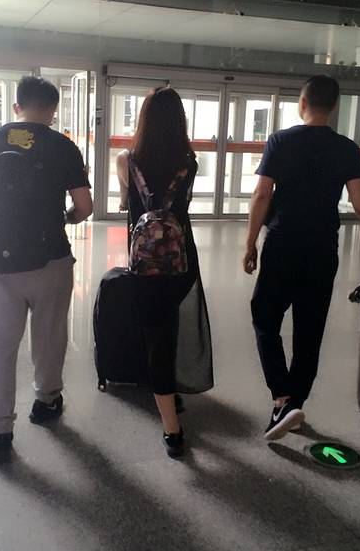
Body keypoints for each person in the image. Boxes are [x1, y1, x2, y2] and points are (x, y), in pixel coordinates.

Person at [243, 75, 360, 441]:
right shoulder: (347, 148)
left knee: (265, 318)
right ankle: (295, 403)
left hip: (282, 244)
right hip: (322, 249)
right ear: (334, 106)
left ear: (303, 103)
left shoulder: (280, 141)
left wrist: (250, 243)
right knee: (310, 331)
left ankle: (282, 398)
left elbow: (262, 195)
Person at [0, 76, 93, 463]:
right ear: (52, 111)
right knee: (49, 335)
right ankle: (46, 401)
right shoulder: (63, 146)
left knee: (0, 345)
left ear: (16, 106)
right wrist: (66, 218)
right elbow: (85, 207)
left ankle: (1, 431)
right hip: (50, 259)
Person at [116, 87, 212, 458]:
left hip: (143, 263)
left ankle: (172, 428)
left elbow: (126, 203)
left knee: (153, 335)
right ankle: (168, 390)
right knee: (167, 329)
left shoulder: (126, 160)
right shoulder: (190, 161)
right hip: (180, 260)